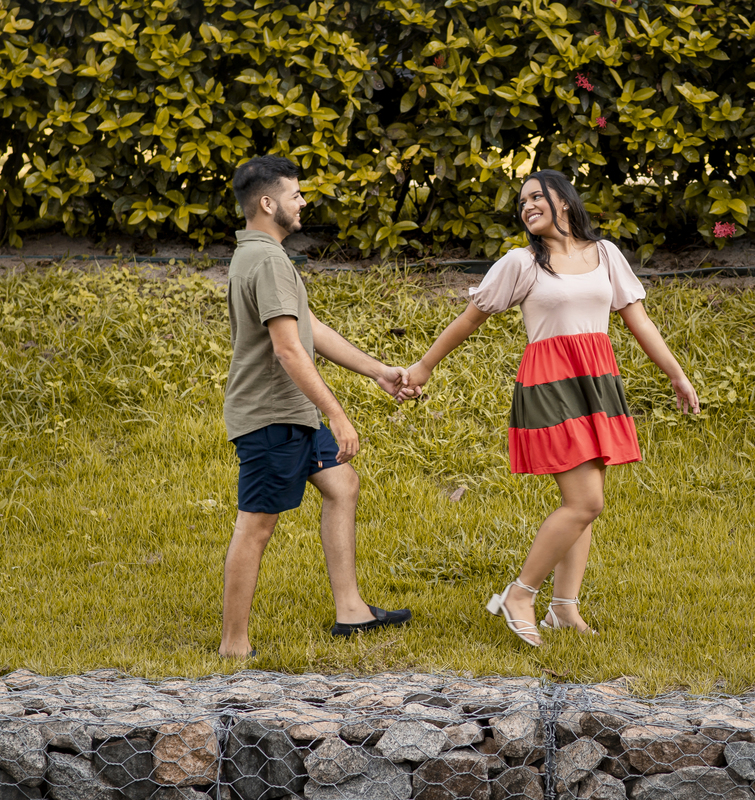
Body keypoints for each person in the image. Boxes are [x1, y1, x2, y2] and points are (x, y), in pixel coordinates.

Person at [403, 169, 700, 647]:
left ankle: (563, 608)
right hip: (551, 383)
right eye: (522, 203)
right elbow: (469, 320)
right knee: (587, 502)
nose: (527, 207)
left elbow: (637, 320)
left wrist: (676, 374)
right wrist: (423, 368)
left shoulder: (605, 254)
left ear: (564, 200)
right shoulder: (520, 263)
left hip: (596, 380)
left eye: (536, 197)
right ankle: (520, 595)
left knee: (582, 506)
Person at [219, 155, 412, 659]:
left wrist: (376, 371)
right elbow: (287, 349)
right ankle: (233, 646)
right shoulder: (267, 260)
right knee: (256, 525)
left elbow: (310, 329)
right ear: (267, 203)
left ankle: (351, 612)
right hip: (271, 416)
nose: (303, 202)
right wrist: (338, 412)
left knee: (342, 484)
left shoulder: (260, 256)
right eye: (295, 194)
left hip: (291, 413)